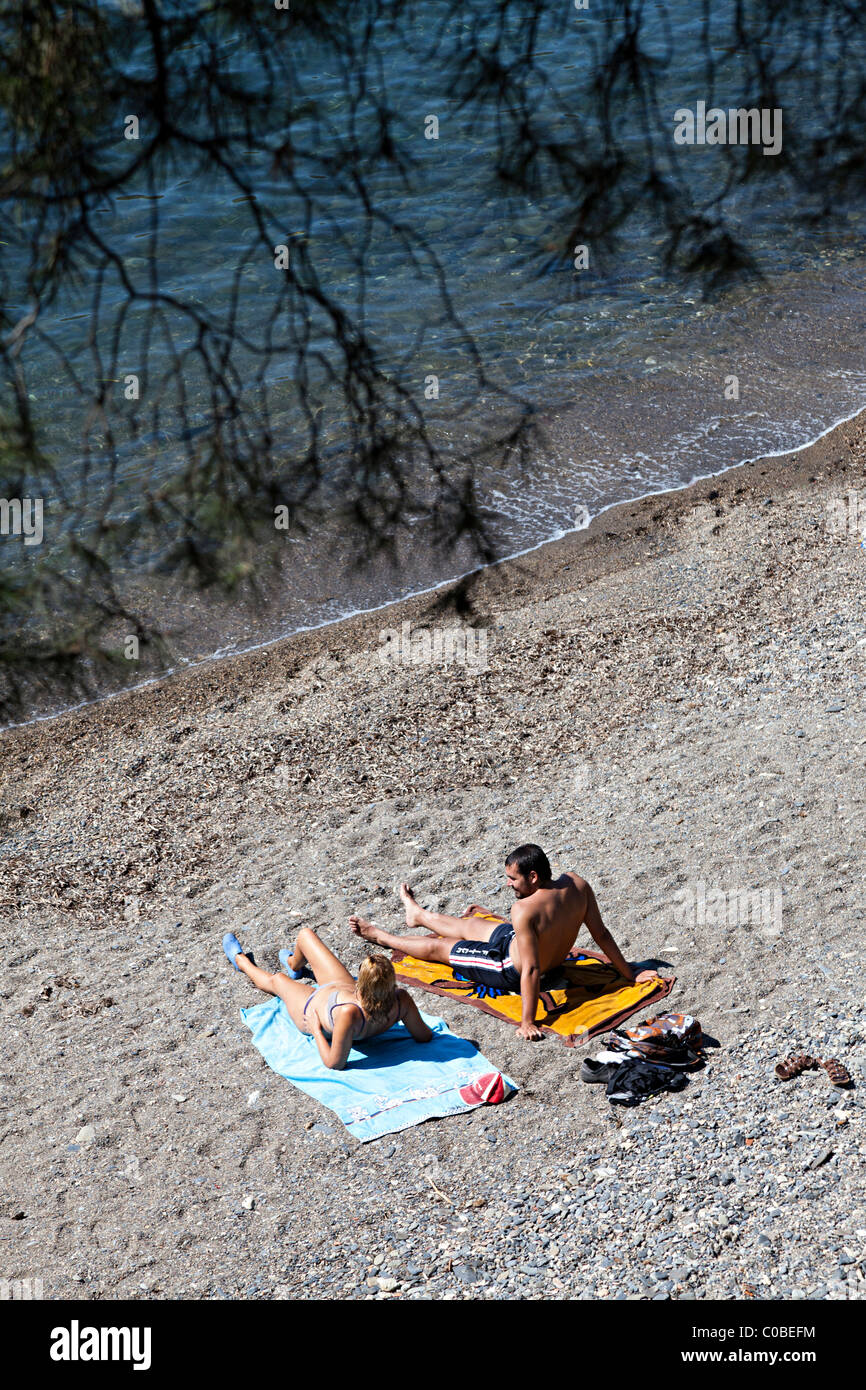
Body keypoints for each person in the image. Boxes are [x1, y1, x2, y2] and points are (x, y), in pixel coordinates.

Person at [349, 843, 660, 1043]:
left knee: (440, 948)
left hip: (507, 966)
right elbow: (601, 934)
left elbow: (532, 969)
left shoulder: (524, 909)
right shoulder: (578, 884)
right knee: (471, 925)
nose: (508, 884)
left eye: (513, 879)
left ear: (534, 877)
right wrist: (629, 974)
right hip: (523, 943)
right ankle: (417, 914)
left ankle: (380, 935)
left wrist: (528, 1021)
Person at [222, 925, 433, 1069]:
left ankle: (240, 961)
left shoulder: (350, 1013)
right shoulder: (401, 999)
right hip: (343, 990)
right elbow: (424, 1036)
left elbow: (335, 1063)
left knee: (278, 980)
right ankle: (295, 965)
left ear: (364, 983)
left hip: (313, 1007)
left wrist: (315, 1030)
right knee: (306, 935)